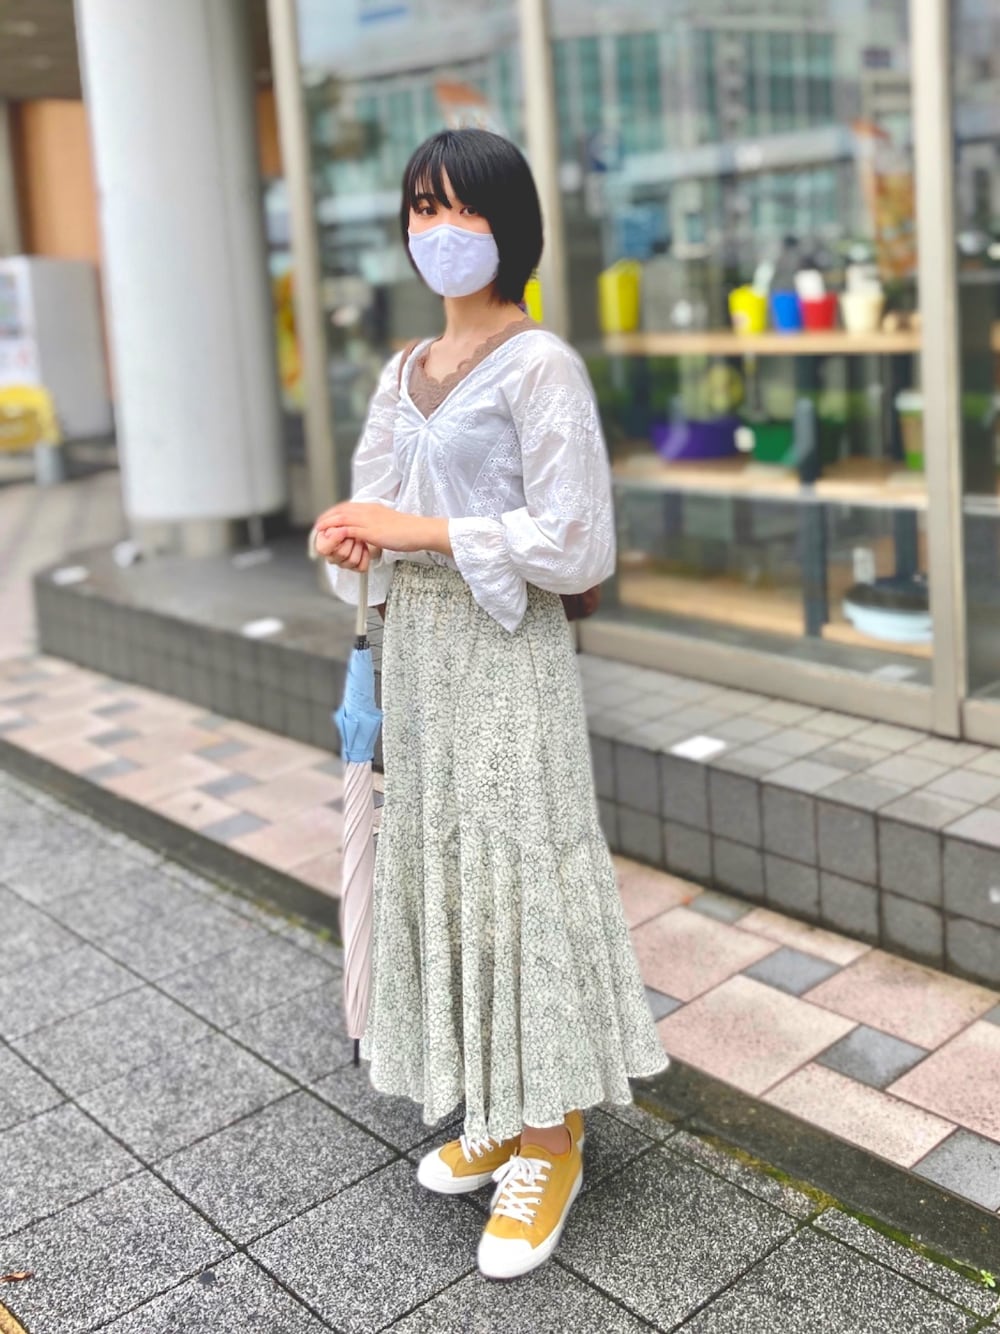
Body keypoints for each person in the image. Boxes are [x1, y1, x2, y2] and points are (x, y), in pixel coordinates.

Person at [312, 127, 669, 1281]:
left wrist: (415, 530)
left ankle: (551, 1141)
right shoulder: (401, 368)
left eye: (461, 208)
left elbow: (575, 541)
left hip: (505, 654)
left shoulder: (540, 363)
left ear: (509, 226)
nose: (439, 229)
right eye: (422, 208)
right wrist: (349, 535)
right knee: (451, 869)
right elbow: (373, 505)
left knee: (518, 869)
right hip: (418, 653)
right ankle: (503, 1104)